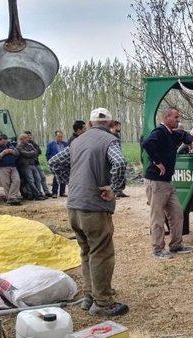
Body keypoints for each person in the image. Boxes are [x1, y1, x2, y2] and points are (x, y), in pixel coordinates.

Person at [48, 107, 129, 317]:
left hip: (74, 207)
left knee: (86, 252)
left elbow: (54, 162)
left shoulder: (76, 141)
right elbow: (119, 163)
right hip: (94, 208)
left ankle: (90, 297)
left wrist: (71, 183)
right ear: (110, 124)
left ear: (90, 123)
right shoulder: (110, 140)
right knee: (101, 253)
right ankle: (103, 303)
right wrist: (115, 189)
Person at [142, 107, 193, 259]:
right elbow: (147, 143)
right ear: (167, 117)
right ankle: (157, 249)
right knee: (158, 217)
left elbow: (182, 135)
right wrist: (157, 162)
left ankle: (176, 245)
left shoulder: (171, 134)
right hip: (156, 182)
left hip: (167, 182)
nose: (178, 120)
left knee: (177, 213)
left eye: (178, 117)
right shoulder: (159, 132)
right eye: (175, 117)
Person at [17, 133, 46, 201]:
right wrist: (31, 153)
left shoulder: (30, 145)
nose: (28, 139)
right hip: (25, 166)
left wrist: (30, 154)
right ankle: (37, 195)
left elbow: (36, 152)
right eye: (26, 138)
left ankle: (39, 193)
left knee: (38, 179)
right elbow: (25, 154)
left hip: (33, 164)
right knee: (31, 181)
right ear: (22, 139)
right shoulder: (19, 146)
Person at [24, 131, 52, 197]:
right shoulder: (24, 144)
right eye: (28, 136)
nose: (29, 137)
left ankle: (46, 191)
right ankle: (37, 193)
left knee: (42, 177)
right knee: (35, 179)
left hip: (37, 163)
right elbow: (28, 154)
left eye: (30, 135)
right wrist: (33, 153)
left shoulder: (33, 143)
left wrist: (33, 152)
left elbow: (39, 151)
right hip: (30, 164)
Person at [0, 134, 22, 205]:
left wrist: (9, 151)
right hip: (2, 167)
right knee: (6, 183)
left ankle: (11, 197)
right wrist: (5, 152)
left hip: (13, 166)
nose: (5, 143)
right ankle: (11, 198)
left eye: (6, 142)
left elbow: (17, 153)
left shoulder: (10, 144)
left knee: (17, 180)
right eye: (3, 142)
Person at [46, 130, 69, 198]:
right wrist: (50, 162)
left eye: (61, 137)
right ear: (55, 136)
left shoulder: (65, 144)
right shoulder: (51, 144)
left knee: (64, 176)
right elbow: (48, 154)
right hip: (56, 163)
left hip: (64, 163)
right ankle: (54, 193)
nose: (60, 138)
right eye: (59, 137)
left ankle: (62, 192)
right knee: (56, 177)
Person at [109, 120, 129, 198]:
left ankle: (119, 191)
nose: (119, 128)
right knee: (114, 175)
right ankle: (113, 192)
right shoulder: (110, 135)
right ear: (114, 126)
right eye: (118, 126)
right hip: (113, 159)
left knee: (122, 174)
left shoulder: (117, 135)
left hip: (118, 155)